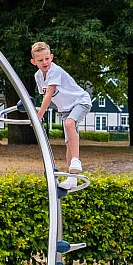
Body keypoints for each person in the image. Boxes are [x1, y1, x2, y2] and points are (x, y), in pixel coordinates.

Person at [29, 41, 91, 173]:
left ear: (51, 57)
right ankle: (72, 177)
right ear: (34, 62)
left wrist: (39, 115)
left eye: (47, 59)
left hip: (80, 101)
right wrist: (38, 112)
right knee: (69, 142)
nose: (45, 62)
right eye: (40, 60)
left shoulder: (55, 71)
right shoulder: (38, 76)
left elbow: (49, 94)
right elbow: (45, 96)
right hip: (65, 109)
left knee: (69, 124)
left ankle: (76, 160)